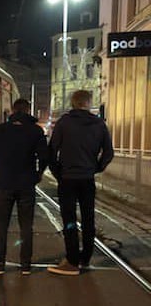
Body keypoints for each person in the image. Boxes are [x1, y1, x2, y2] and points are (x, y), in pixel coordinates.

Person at [47, 90, 114, 276]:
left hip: (67, 179)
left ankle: (72, 261)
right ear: (88, 103)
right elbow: (108, 152)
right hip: (87, 179)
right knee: (88, 219)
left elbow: (52, 151)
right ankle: (85, 258)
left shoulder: (64, 123)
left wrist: (58, 173)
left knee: (69, 220)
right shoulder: (99, 124)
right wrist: (96, 168)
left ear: (73, 103)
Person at [0, 99, 48, 275]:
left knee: (1, 224)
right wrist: (38, 174)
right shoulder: (36, 131)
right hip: (27, 184)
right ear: (28, 110)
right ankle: (25, 265)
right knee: (26, 225)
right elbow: (44, 156)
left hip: (5, 183)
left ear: (12, 110)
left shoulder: (1, 129)